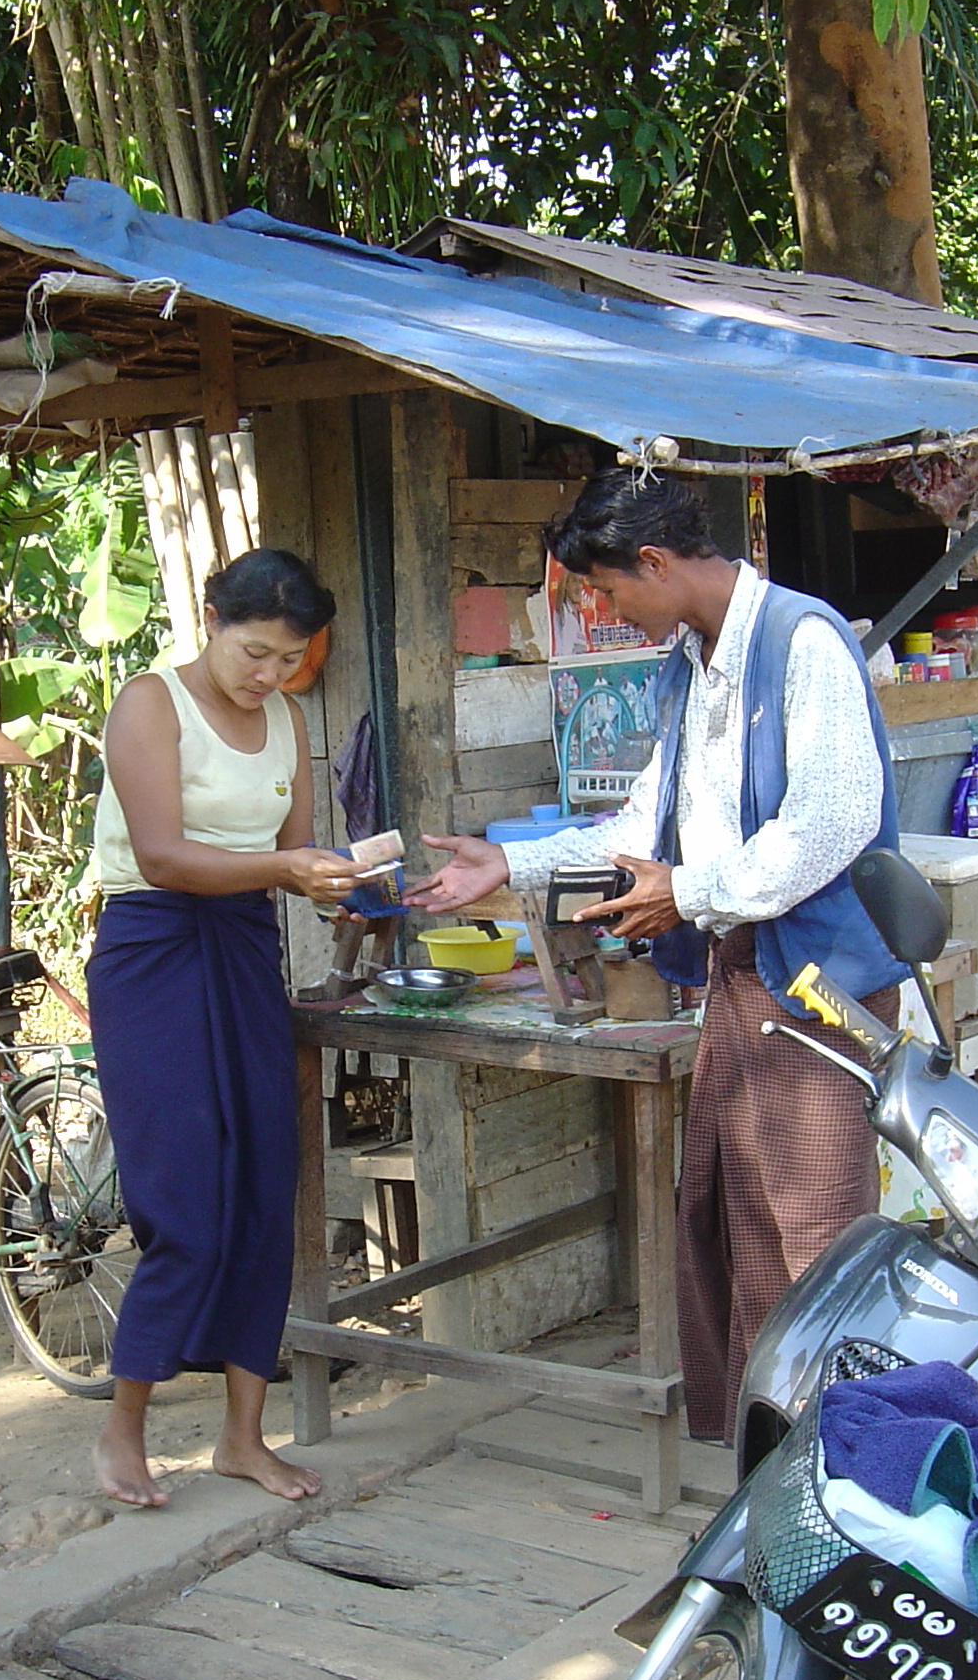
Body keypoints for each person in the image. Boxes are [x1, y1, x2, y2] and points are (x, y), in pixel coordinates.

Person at [409, 470, 917, 1444]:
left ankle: (853, 1468)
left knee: (818, 1235)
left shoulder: (803, 642)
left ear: (653, 561)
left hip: (820, 986)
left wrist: (680, 892)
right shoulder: (689, 661)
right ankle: (779, 1466)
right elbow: (651, 819)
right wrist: (511, 861)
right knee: (745, 1225)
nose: (602, 612)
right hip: (739, 977)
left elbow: (829, 826)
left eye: (603, 591)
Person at [86, 549, 365, 1508]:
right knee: (182, 1198)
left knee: (261, 1185)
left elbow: (297, 852)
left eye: (287, 661)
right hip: (152, 955)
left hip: (246, 954)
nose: (267, 676)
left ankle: (244, 1438)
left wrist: (338, 887)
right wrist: (289, 874)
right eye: (254, 652)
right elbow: (162, 856)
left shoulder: (286, 721)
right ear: (211, 617)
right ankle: (124, 1429)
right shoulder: (149, 705)